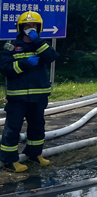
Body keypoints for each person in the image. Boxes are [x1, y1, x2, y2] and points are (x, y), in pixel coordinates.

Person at [0, 11, 59, 172]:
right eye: (26, 25)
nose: (30, 28)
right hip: (18, 98)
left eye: (33, 25)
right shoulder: (12, 46)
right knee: (13, 129)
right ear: (20, 27)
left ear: (39, 27)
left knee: (37, 126)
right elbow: (5, 68)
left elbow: (52, 56)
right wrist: (24, 63)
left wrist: (37, 40)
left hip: (38, 96)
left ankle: (34, 154)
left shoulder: (41, 45)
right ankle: (9, 161)